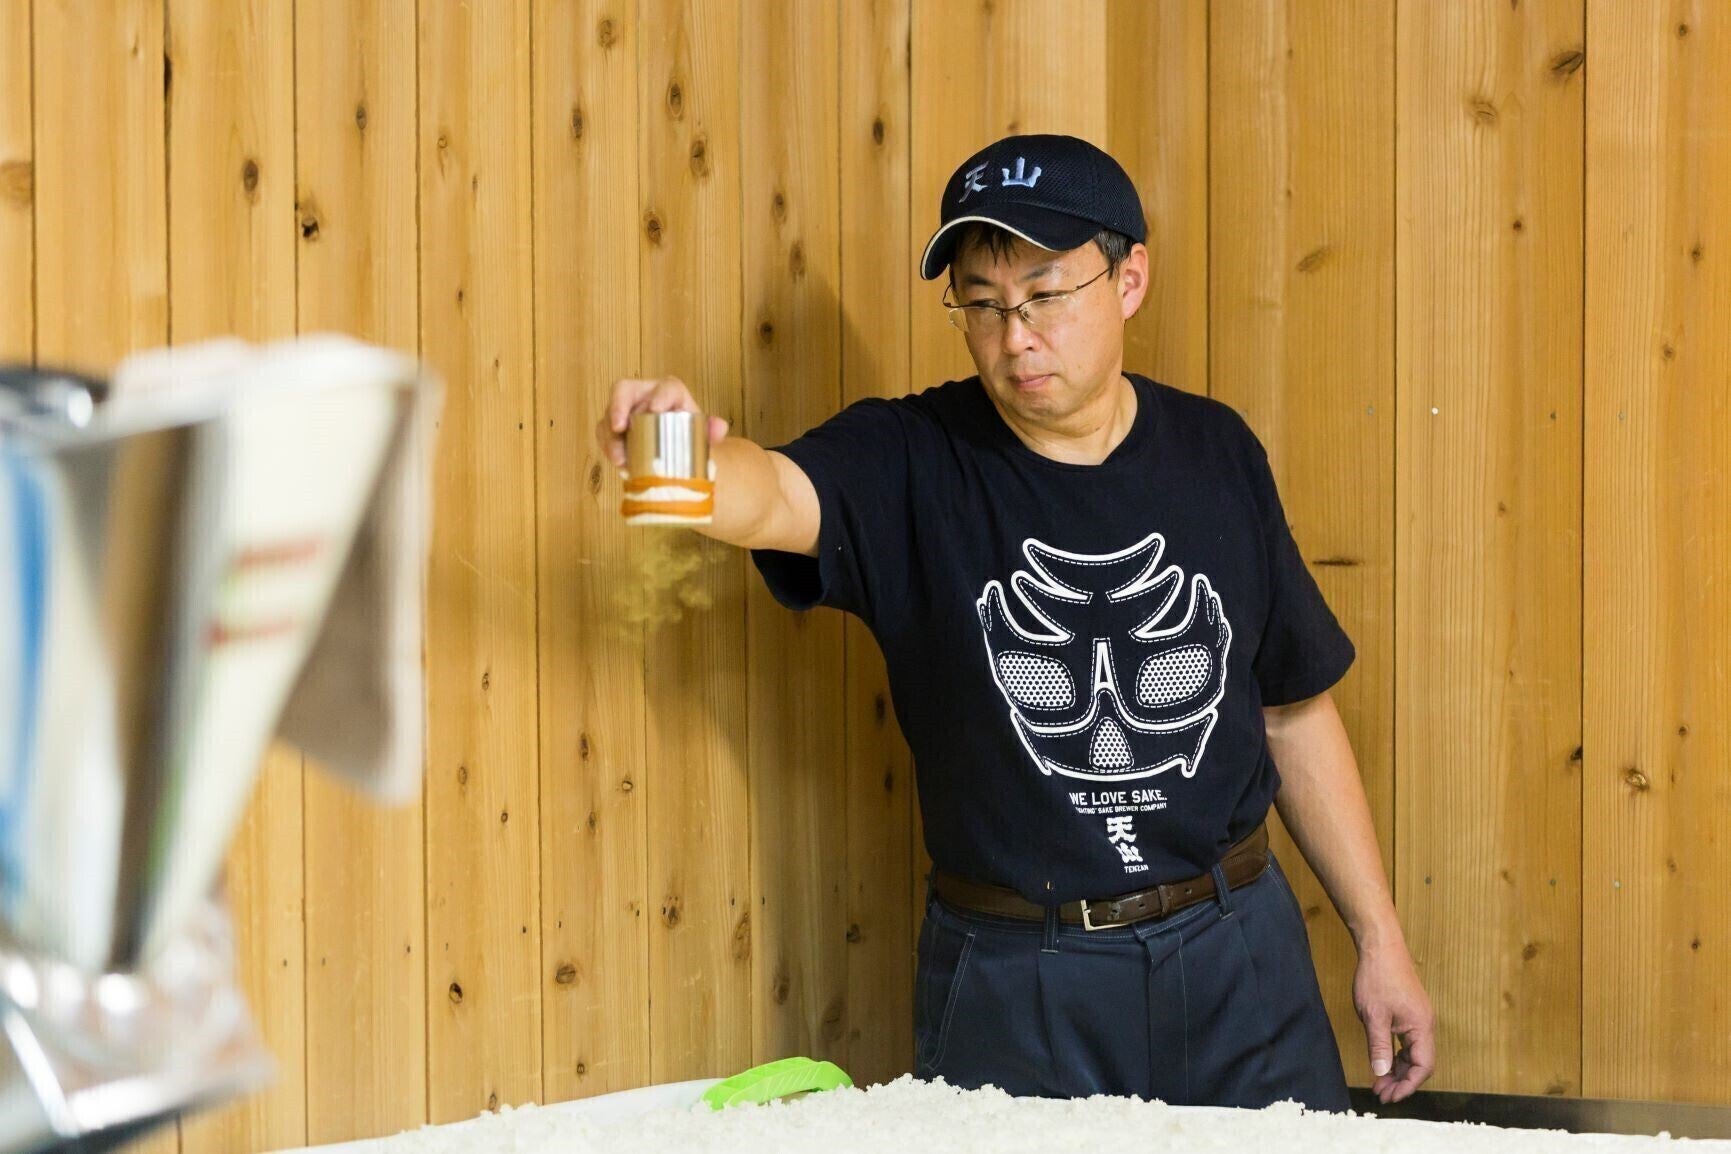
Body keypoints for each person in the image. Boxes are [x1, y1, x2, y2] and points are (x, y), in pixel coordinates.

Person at [596, 133, 1434, 1110]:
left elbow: (1290, 709)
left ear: (1129, 280)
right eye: (982, 304)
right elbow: (773, 493)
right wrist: (679, 457)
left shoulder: (1217, 451)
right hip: (1016, 972)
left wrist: (1379, 936)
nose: (1015, 337)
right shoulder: (910, 459)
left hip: (1236, 949)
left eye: (1044, 295)